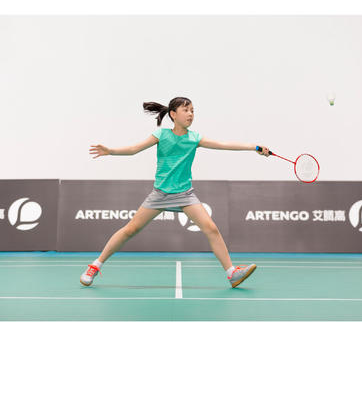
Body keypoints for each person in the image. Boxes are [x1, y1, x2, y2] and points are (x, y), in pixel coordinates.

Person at [80, 96, 270, 288]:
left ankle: (232, 274)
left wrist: (254, 147)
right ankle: (95, 266)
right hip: (160, 193)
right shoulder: (161, 135)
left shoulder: (195, 138)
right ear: (173, 114)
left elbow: (224, 145)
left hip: (185, 194)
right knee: (130, 229)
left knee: (211, 228)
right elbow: (134, 148)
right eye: (186, 110)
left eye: (193, 110)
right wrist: (111, 151)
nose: (190, 114)